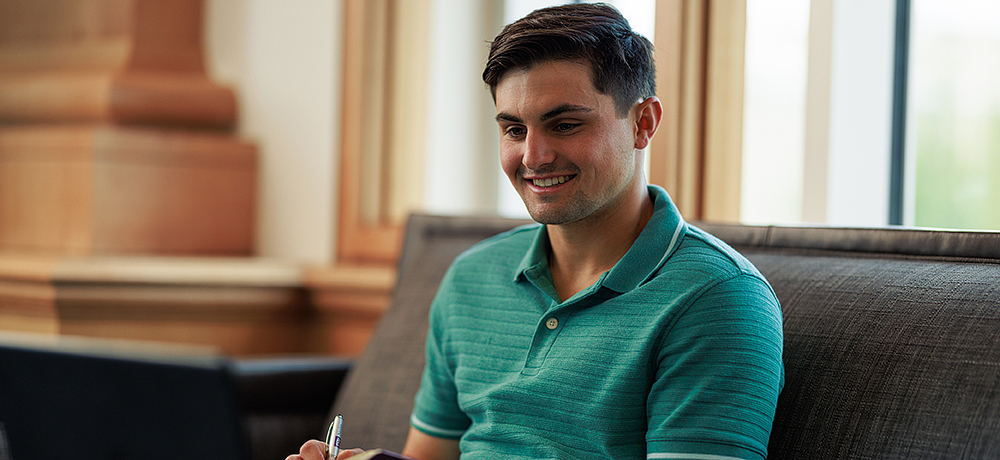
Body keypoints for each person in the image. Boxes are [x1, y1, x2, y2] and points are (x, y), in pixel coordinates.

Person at [290, 3, 783, 460]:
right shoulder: (471, 277)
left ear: (643, 123)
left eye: (564, 125)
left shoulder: (719, 298)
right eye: (513, 129)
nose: (532, 157)